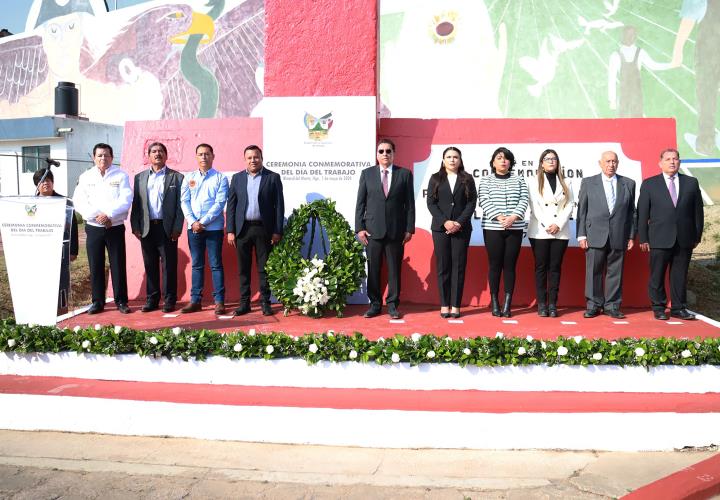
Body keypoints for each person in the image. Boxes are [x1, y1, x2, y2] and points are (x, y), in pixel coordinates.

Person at [637, 149, 704, 320]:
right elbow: (642, 213)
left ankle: (678, 307)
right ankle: (659, 307)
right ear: (660, 163)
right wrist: (643, 238)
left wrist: (697, 235)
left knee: (680, 274)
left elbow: (698, 211)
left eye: (675, 159)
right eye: (668, 159)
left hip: (684, 238)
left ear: (679, 162)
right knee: (657, 274)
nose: (672, 162)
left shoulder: (691, 183)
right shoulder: (649, 184)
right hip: (659, 238)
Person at [355, 138, 415, 319]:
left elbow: (410, 205)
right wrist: (359, 228)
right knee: (373, 268)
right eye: (381, 151)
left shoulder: (405, 174)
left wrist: (409, 228)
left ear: (394, 154)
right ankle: (374, 304)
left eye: (388, 151)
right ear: (376, 154)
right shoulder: (367, 174)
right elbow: (360, 203)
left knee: (395, 270)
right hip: (372, 231)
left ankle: (392, 305)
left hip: (396, 231)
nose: (385, 154)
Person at [73, 143, 133, 314]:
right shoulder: (86, 177)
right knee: (96, 264)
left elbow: (126, 199)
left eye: (106, 155)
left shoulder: (121, 176)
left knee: (118, 264)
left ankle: (121, 301)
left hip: (115, 227)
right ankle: (97, 302)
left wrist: (109, 215)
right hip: (94, 227)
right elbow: (79, 201)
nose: (103, 158)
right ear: (94, 157)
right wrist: (98, 216)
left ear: (112, 158)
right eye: (99, 155)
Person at [576, 150, 636, 319]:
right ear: (600, 163)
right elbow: (582, 210)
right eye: (608, 161)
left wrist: (631, 235)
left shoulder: (628, 183)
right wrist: (581, 235)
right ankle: (593, 305)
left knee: (615, 272)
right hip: (594, 234)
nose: (611, 164)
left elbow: (632, 212)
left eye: (614, 161)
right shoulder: (588, 182)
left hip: (619, 235)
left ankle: (612, 305)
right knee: (593, 271)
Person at [226, 145, 285, 316]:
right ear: (245, 159)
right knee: (243, 269)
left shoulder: (272, 177)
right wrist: (230, 230)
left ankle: (265, 302)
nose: (253, 160)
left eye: (256, 157)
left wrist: (277, 230)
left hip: (263, 229)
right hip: (242, 230)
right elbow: (231, 206)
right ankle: (245, 303)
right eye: (250, 157)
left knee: (264, 268)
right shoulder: (237, 179)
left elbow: (279, 206)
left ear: (261, 158)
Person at [130, 142, 185, 313]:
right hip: (147, 227)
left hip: (167, 228)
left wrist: (177, 227)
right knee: (150, 265)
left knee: (169, 265)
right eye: (154, 151)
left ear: (166, 155)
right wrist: (135, 226)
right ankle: (152, 299)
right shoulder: (139, 178)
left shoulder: (177, 177)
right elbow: (136, 204)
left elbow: (180, 206)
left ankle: (170, 300)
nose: (157, 154)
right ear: (148, 156)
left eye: (161, 151)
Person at [426, 146, 477, 318]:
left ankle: (456, 305)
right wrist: (445, 222)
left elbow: (471, 203)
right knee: (443, 267)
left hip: (461, 229)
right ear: (443, 160)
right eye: (449, 157)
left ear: (460, 160)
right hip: (440, 229)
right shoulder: (435, 178)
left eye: (455, 157)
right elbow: (431, 204)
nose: (452, 160)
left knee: (459, 267)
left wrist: (458, 223)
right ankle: (444, 304)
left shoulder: (467, 179)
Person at [479, 147, 529, 318]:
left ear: (511, 162)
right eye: (499, 158)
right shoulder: (486, 180)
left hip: (514, 228)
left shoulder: (519, 180)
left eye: (506, 158)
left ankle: (507, 303)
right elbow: (484, 199)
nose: (503, 161)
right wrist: (499, 217)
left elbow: (524, 199)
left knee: (510, 265)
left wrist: (513, 217)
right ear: (493, 162)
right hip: (493, 227)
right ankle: (495, 302)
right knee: (494, 265)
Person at [180, 143, 229, 314]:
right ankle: (195, 300)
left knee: (215, 264)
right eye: (200, 154)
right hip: (193, 228)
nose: (204, 157)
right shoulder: (189, 177)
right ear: (196, 156)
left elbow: (219, 203)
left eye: (207, 154)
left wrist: (203, 222)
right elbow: (184, 201)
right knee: (197, 265)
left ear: (213, 156)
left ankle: (219, 301)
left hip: (213, 228)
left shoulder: (220, 178)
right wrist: (193, 221)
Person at [527, 149, 574, 317]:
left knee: (555, 267)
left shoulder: (566, 181)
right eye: (547, 159)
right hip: (540, 230)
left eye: (554, 158)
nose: (551, 161)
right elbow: (534, 205)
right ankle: (542, 304)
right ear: (541, 163)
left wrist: (558, 224)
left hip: (560, 231)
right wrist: (548, 224)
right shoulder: (533, 181)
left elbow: (570, 204)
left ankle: (553, 303)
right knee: (541, 267)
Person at [33, 168, 78, 315]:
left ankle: (62, 310)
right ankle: (41, 308)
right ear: (37, 185)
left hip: (61, 250)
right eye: (42, 181)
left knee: (61, 281)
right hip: (39, 249)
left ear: (53, 182)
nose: (45, 183)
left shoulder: (64, 202)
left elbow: (74, 227)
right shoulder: (30, 203)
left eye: (48, 180)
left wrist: (73, 251)